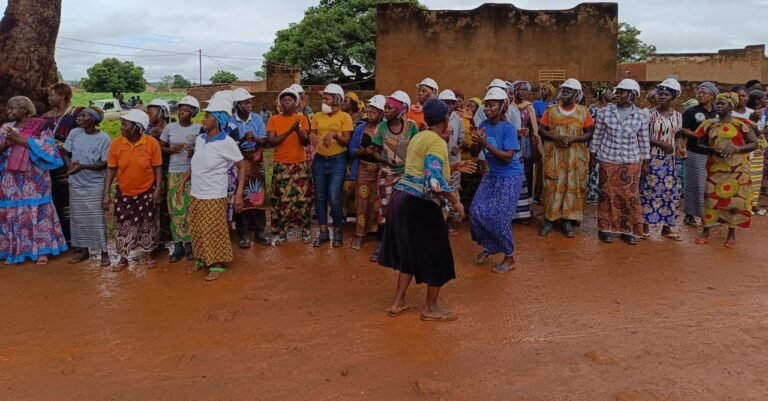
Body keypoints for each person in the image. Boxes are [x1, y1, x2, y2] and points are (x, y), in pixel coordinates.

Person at [379, 99, 466, 322]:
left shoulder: (419, 136)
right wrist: (455, 201)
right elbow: (433, 182)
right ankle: (431, 307)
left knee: (410, 252)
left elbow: (419, 168)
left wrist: (453, 167)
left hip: (402, 197)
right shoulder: (437, 143)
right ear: (446, 120)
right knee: (438, 254)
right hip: (421, 203)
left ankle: (398, 302)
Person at [176, 97, 245, 281]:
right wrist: (184, 181)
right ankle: (202, 258)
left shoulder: (227, 142)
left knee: (213, 229)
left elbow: (242, 166)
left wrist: (238, 194)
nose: (203, 120)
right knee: (197, 227)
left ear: (219, 119)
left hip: (214, 193)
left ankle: (217, 264)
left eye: (208, 116)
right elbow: (196, 162)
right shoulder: (201, 139)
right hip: (197, 191)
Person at [0, 96, 68, 265]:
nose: (9, 112)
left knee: (37, 210)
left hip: (35, 178)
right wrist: (7, 143)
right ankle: (14, 249)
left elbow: (48, 148)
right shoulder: (6, 127)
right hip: (11, 178)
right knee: (14, 210)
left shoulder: (40, 125)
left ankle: (42, 251)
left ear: (25, 110)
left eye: (13, 108)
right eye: (8, 109)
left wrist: (19, 140)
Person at [469, 87, 524, 273]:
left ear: (503, 106)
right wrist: (476, 142)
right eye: (486, 105)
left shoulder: (508, 128)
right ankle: (492, 245)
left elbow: (508, 157)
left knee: (500, 218)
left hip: (510, 177)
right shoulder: (483, 124)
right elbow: (475, 153)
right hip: (493, 175)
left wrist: (485, 143)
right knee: (476, 211)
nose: (487, 108)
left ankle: (510, 257)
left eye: (492, 105)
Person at [694, 92, 758, 248]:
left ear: (731, 106)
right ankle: (706, 232)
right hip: (715, 171)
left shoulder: (741, 123)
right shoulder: (708, 124)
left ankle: (731, 234)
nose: (718, 105)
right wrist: (711, 149)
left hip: (737, 171)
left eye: (722, 103)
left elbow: (754, 143)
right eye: (717, 103)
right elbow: (699, 144)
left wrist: (737, 148)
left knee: (735, 203)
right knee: (710, 200)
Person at [591, 79, 650, 245]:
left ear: (632, 95)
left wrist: (645, 162)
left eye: (622, 92)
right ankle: (605, 229)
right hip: (608, 160)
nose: (617, 95)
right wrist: (593, 156)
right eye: (617, 92)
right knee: (606, 195)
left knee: (629, 196)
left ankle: (628, 229)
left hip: (631, 162)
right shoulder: (605, 113)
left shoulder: (640, 115)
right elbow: (597, 136)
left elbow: (644, 140)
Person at [103, 109, 162, 271]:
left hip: (147, 191)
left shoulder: (151, 143)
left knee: (148, 224)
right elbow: (110, 169)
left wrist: (157, 190)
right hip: (124, 192)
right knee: (123, 224)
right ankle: (123, 257)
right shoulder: (116, 144)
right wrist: (106, 193)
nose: (121, 127)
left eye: (125, 124)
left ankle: (148, 254)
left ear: (137, 127)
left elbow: (157, 168)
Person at [538, 78, 594, 238]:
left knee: (572, 187)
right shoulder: (551, 110)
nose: (565, 93)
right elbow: (542, 130)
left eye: (569, 91)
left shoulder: (584, 112)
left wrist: (574, 139)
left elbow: (589, 132)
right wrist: (556, 138)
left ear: (577, 94)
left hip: (575, 159)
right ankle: (549, 220)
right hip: (554, 158)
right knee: (551, 186)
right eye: (563, 90)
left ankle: (568, 221)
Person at [370, 90, 420, 262]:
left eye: (390, 108)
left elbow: (418, 148)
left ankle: (404, 244)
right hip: (387, 174)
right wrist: (386, 161)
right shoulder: (381, 129)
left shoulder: (412, 127)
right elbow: (374, 152)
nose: (385, 110)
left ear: (400, 110)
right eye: (385, 107)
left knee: (406, 209)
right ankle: (383, 243)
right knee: (385, 209)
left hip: (407, 175)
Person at [62, 107, 111, 266]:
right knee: (78, 219)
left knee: (97, 219)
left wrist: (82, 166)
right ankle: (81, 250)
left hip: (94, 185)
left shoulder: (104, 138)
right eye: (80, 115)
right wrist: (70, 166)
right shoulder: (74, 133)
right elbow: (65, 153)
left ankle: (104, 252)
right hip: (75, 183)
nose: (79, 117)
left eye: (84, 115)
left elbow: (105, 163)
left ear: (94, 119)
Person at [309, 84, 354, 248]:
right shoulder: (317, 116)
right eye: (323, 98)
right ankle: (323, 233)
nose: (324, 100)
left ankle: (338, 231)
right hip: (319, 160)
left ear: (336, 99)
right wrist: (312, 134)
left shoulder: (345, 117)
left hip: (337, 161)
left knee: (334, 198)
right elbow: (312, 133)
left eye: (327, 98)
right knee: (320, 198)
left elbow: (347, 141)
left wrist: (334, 134)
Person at [267, 88, 313, 245]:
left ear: (296, 103)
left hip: (299, 164)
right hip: (281, 165)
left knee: (303, 198)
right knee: (283, 200)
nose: (287, 103)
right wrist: (289, 131)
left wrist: (298, 129)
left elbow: (305, 142)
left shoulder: (302, 119)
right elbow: (272, 142)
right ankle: (283, 232)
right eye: (284, 100)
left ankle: (305, 230)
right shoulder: (273, 119)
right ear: (280, 103)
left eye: (290, 100)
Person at [640, 79, 683, 241]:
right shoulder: (648, 114)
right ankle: (645, 226)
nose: (662, 97)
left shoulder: (678, 116)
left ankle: (667, 228)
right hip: (651, 158)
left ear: (673, 97)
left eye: (666, 94)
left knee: (669, 194)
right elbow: (642, 136)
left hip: (670, 161)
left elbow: (678, 135)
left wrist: (679, 148)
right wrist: (660, 143)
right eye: (660, 94)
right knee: (648, 192)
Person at [159, 96, 200, 262]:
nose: (182, 112)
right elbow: (160, 146)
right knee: (175, 209)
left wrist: (193, 152)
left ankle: (189, 244)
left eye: (186, 109)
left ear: (193, 112)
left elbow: (203, 149)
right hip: (174, 172)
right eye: (180, 109)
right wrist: (171, 149)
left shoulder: (198, 129)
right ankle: (178, 245)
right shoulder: (170, 127)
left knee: (190, 208)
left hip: (191, 172)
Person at [229, 88, 270, 248]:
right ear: (237, 105)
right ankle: (243, 233)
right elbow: (230, 145)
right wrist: (242, 138)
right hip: (239, 162)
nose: (249, 104)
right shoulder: (231, 122)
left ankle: (260, 231)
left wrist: (256, 139)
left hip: (256, 159)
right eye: (246, 102)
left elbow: (265, 141)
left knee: (258, 195)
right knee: (241, 198)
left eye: (250, 101)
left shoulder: (257, 119)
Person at [41, 83, 81, 243]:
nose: (50, 98)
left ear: (63, 95)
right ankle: (60, 237)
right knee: (54, 197)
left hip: (71, 162)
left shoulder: (77, 113)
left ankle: (74, 237)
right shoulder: (45, 117)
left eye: (53, 95)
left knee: (70, 199)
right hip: (50, 164)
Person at [348, 95, 385, 250]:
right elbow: (351, 150)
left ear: (381, 114)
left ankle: (377, 233)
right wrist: (364, 150)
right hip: (364, 168)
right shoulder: (360, 129)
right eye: (369, 111)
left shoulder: (385, 129)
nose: (370, 114)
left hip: (381, 170)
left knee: (378, 202)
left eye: (374, 112)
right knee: (362, 202)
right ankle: (360, 234)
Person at [681, 82, 719, 226]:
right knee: (694, 184)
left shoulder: (717, 112)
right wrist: (697, 134)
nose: (700, 95)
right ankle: (690, 215)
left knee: (709, 185)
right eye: (699, 92)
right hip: (695, 152)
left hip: (713, 154)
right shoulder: (691, 111)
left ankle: (706, 215)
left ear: (712, 96)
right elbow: (682, 128)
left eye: (704, 92)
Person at [145, 99, 172, 254]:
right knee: (152, 206)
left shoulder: (171, 128)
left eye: (152, 111)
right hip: (150, 173)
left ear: (162, 112)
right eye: (148, 112)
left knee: (166, 206)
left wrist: (162, 138)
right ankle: (154, 241)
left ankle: (165, 239)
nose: (149, 115)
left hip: (167, 170)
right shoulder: (146, 130)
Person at [510, 80, 540, 215]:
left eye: (525, 90)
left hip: (525, 141)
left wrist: (535, 138)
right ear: (514, 90)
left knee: (527, 169)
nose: (522, 92)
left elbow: (534, 126)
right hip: (511, 140)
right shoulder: (508, 106)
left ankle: (526, 203)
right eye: (520, 89)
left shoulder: (529, 107)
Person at [438, 89, 465, 235]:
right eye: (446, 102)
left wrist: (458, 147)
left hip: (454, 162)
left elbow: (462, 140)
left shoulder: (458, 120)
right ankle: (440, 223)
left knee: (451, 194)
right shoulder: (436, 119)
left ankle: (447, 224)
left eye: (452, 102)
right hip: (439, 163)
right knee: (439, 194)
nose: (449, 105)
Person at [586, 85, 613, 205]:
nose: (612, 94)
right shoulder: (592, 108)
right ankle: (593, 194)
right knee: (594, 167)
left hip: (609, 142)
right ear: (602, 95)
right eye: (609, 92)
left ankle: (604, 193)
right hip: (596, 141)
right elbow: (589, 126)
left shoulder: (613, 108)